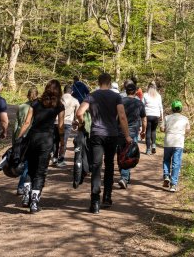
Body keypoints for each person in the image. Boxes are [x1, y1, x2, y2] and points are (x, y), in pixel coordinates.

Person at [76, 72, 132, 214]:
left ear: (99, 81)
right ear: (109, 82)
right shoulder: (116, 96)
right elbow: (122, 116)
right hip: (112, 134)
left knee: (96, 166)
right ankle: (107, 197)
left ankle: (94, 202)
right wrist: (127, 136)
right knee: (109, 166)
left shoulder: (92, 96)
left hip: (96, 134)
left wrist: (82, 124)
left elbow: (79, 112)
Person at [16, 80, 65, 213]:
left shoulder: (36, 102)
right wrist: (62, 143)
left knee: (30, 168)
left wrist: (19, 138)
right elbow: (61, 127)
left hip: (32, 138)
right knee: (40, 171)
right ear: (59, 91)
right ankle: (34, 203)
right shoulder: (59, 105)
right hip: (47, 140)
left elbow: (27, 122)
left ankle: (26, 197)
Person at [118, 81, 146, 189]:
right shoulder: (139, 103)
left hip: (120, 132)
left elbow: (116, 117)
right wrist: (143, 131)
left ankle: (125, 177)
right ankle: (124, 177)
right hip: (133, 132)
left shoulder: (120, 102)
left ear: (126, 91)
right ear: (135, 92)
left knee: (121, 153)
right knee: (129, 154)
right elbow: (144, 119)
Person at [13, 85, 39, 197]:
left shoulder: (21, 106)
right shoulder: (38, 107)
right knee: (28, 164)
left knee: (22, 161)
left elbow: (17, 124)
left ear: (27, 95)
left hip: (20, 135)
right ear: (37, 95)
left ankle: (22, 185)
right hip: (32, 137)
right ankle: (22, 187)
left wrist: (15, 139)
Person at [161, 100, 190, 193]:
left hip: (168, 142)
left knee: (166, 160)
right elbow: (188, 130)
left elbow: (162, 129)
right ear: (181, 109)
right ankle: (173, 184)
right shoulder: (185, 119)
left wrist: (166, 129)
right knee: (176, 163)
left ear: (172, 109)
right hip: (179, 143)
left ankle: (166, 175)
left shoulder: (167, 118)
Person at [55, 84, 79, 167]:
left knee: (55, 140)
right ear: (72, 92)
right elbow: (77, 114)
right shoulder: (75, 101)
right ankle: (60, 159)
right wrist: (76, 123)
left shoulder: (58, 99)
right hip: (68, 123)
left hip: (56, 122)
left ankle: (54, 158)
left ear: (64, 91)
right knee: (63, 142)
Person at [142, 82, 163, 155]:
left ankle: (148, 149)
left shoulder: (145, 95)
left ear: (148, 88)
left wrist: (142, 116)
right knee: (153, 131)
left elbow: (142, 105)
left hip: (148, 115)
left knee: (148, 131)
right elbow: (160, 106)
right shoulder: (158, 96)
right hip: (156, 115)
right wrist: (162, 116)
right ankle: (153, 145)